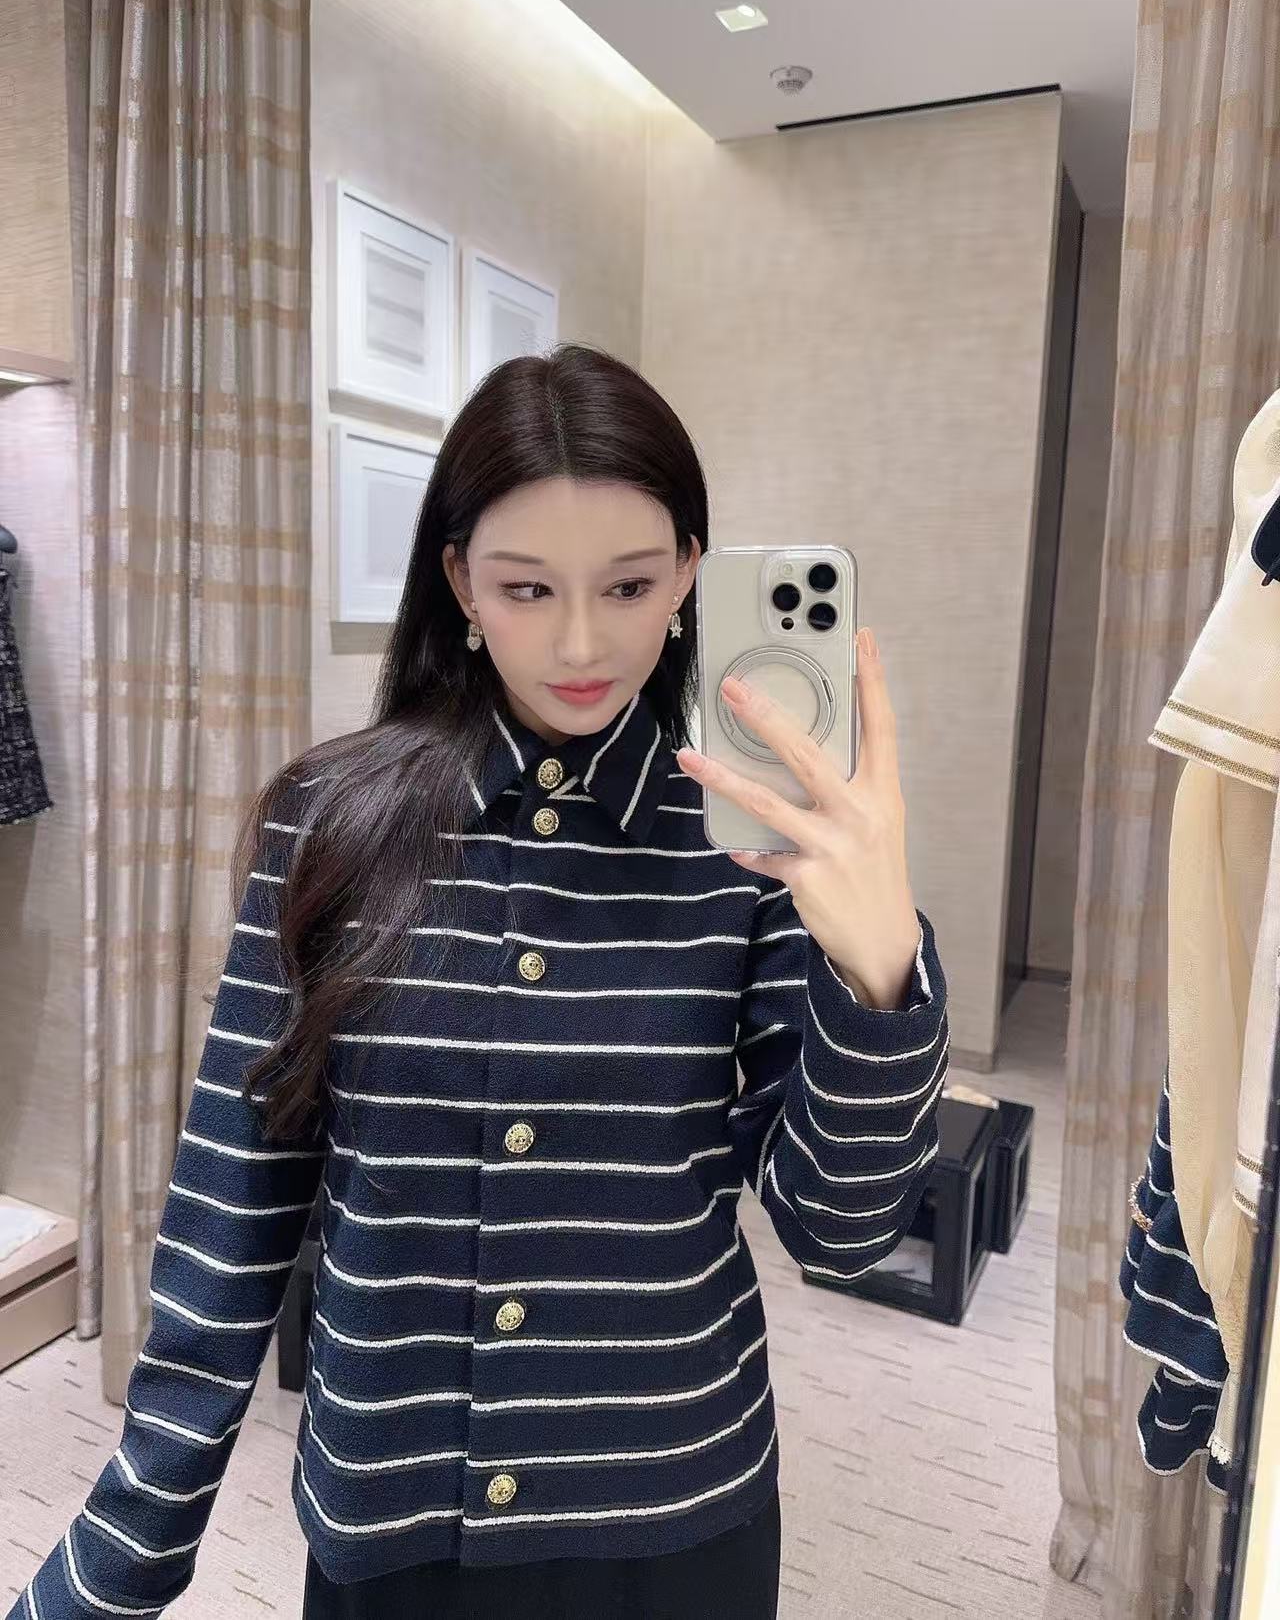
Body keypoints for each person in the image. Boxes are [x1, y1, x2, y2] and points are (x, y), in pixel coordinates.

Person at [10, 344, 949, 1620]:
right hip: (392, 1516)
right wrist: (126, 1548)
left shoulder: (752, 848)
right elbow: (239, 1193)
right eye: (525, 587)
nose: (580, 641)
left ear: (688, 573)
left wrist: (878, 963)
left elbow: (839, 1229)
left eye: (628, 585)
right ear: (458, 580)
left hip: (670, 1515)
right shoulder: (326, 819)